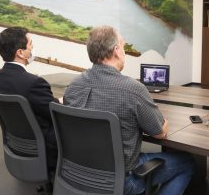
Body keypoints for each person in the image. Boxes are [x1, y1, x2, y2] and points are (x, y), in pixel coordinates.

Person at [64, 26, 194, 195]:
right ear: (116, 51)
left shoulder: (73, 87)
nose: (124, 52)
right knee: (187, 163)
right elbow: (160, 133)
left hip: (77, 174)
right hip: (122, 182)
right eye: (124, 47)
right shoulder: (132, 89)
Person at [0, 26, 59, 172]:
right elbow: (55, 114)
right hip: (44, 144)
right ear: (20, 53)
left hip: (16, 142)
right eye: (31, 45)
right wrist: (62, 101)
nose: (33, 49)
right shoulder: (34, 83)